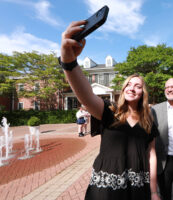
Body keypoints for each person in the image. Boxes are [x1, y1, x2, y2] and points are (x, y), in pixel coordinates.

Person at [60, 20, 160, 200]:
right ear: (123, 90)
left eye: (137, 86)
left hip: (138, 187)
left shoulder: (149, 118)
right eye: (128, 84)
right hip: (106, 189)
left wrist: (153, 191)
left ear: (142, 93)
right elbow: (86, 95)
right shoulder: (108, 110)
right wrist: (69, 61)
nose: (132, 88)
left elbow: (151, 154)